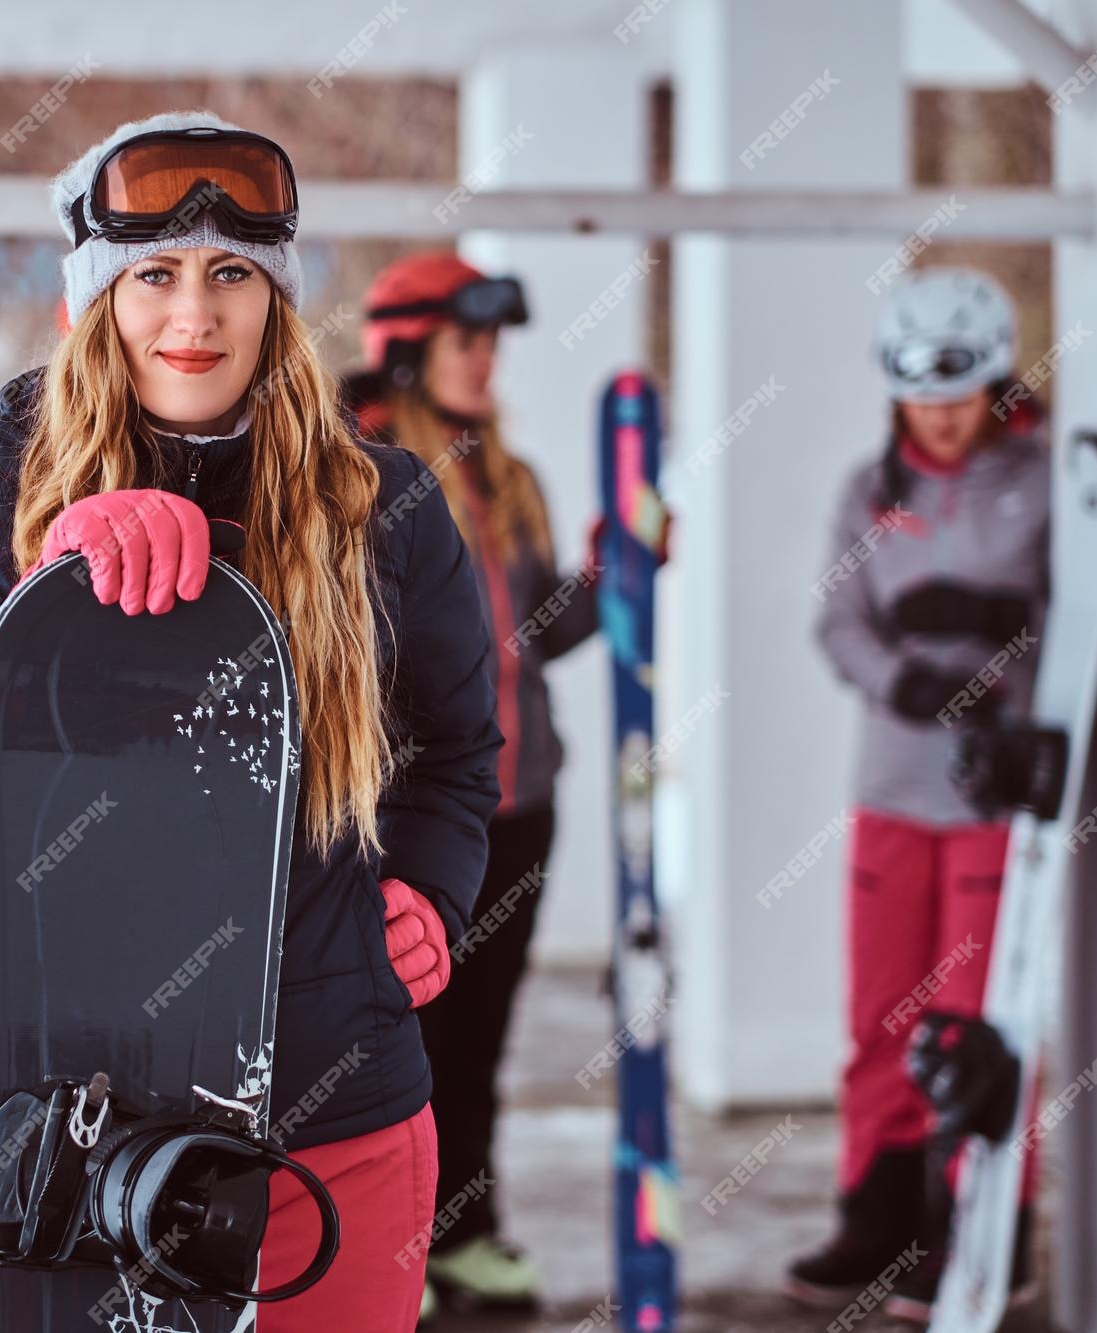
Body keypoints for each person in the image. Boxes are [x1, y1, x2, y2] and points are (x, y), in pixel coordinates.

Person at [0, 111, 504, 1333]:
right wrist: (31, 619)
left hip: (330, 1125)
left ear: (277, 300)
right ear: (87, 301)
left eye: (233, 274)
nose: (196, 317)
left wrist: (433, 894)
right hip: (43, 1140)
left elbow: (452, 751)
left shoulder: (380, 504)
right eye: (154, 276)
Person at [346, 251, 667, 1319]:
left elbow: (539, 635)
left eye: (491, 344)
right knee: (400, 1038)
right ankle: (389, 1246)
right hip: (402, 816)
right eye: (464, 342)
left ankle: (463, 1233)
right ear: (405, 352)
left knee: (479, 1035)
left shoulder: (500, 474)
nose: (486, 362)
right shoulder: (361, 474)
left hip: (517, 807)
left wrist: (616, 563)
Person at [790, 267, 1049, 1323]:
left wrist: (1013, 700)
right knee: (881, 1013)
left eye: (953, 395)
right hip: (890, 788)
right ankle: (876, 1212)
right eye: (915, 397)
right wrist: (904, 678)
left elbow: (1077, 626)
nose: (935, 418)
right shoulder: (869, 490)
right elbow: (837, 621)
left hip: (989, 804)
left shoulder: (1040, 482)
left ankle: (977, 1226)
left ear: (988, 382)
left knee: (976, 1023)